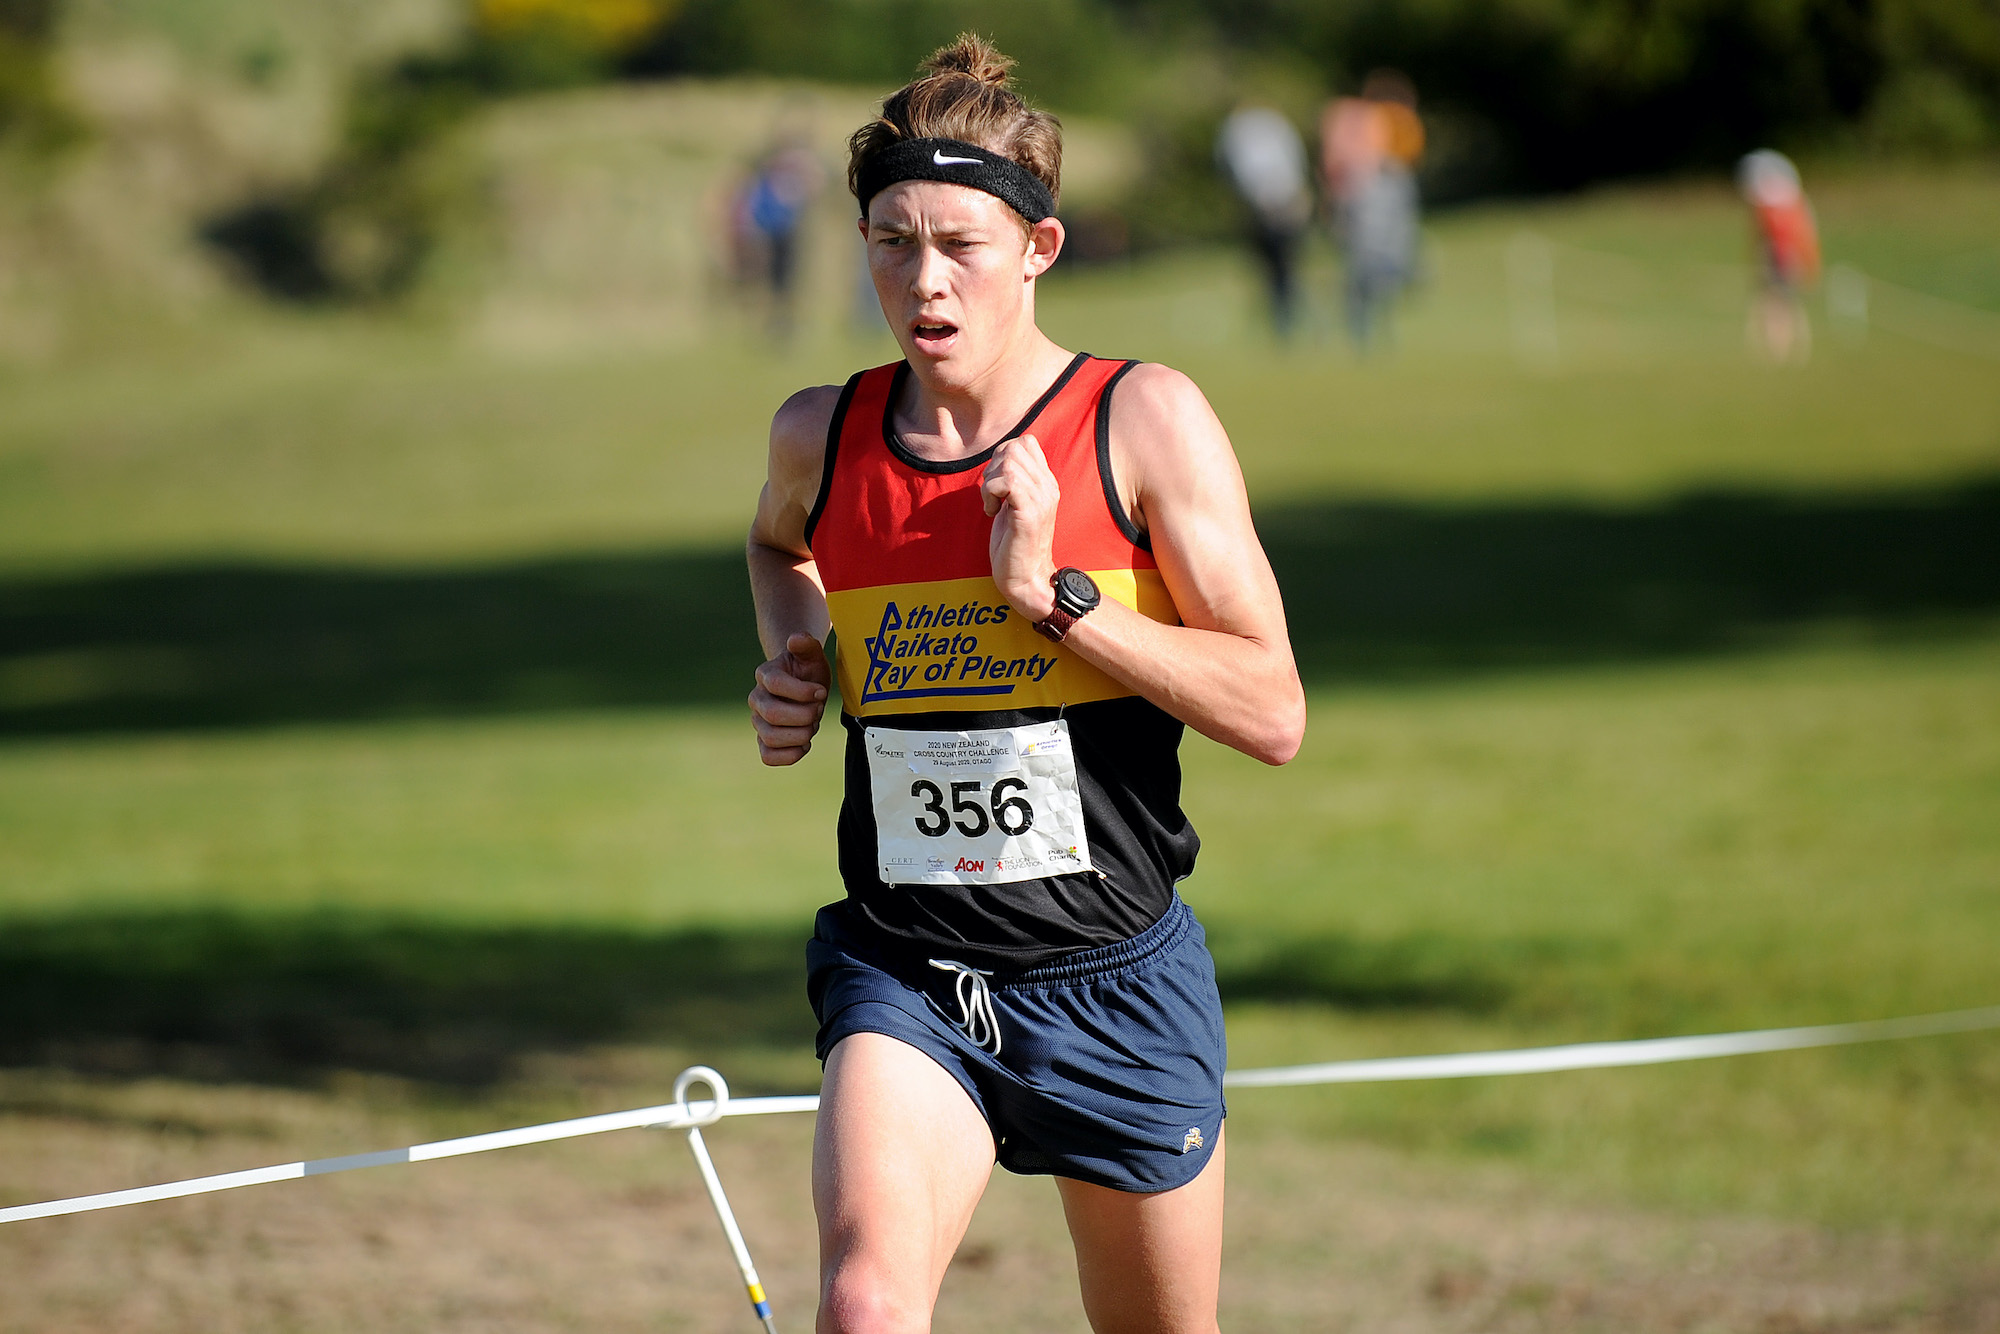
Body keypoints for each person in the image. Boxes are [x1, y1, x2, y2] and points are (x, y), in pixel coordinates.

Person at [745, 34, 1305, 1334]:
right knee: (865, 1306)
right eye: (891, 240)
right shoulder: (819, 433)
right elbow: (779, 545)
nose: (922, 279)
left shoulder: (1138, 421)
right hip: (910, 969)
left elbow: (1272, 708)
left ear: (1039, 249)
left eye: (961, 243)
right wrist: (797, 654)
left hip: (1116, 975)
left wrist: (1056, 594)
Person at [1319, 72, 1424, 351]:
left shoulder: (1346, 115)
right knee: (1366, 267)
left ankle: (1370, 330)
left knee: (1375, 265)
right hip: (1365, 197)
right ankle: (1366, 331)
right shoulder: (1362, 117)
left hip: (1365, 197)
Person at [1214, 103, 1312, 339]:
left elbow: (1228, 167)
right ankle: (1285, 316)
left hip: (1266, 206)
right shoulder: (1274, 123)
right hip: (1280, 202)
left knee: (1277, 266)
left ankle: (1286, 316)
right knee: (1283, 265)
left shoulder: (1234, 129)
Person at [1737, 149, 1820, 364]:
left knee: (1778, 303)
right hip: (1782, 255)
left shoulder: (1779, 210)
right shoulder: (1785, 204)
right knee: (1782, 302)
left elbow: (1782, 237)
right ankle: (1789, 350)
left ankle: (1779, 352)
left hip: (1783, 256)